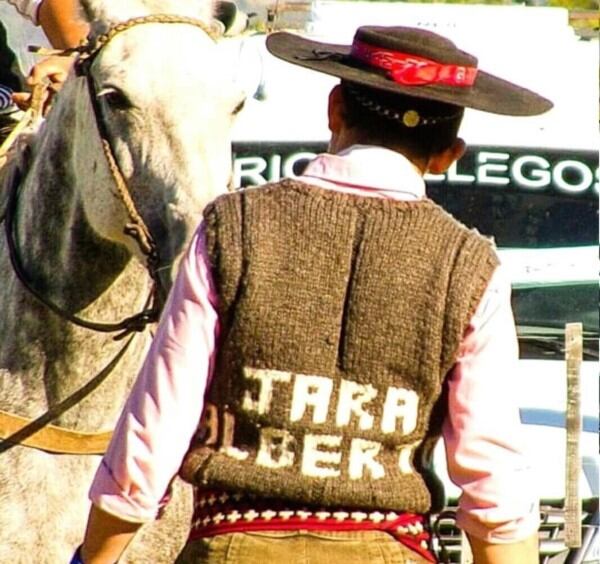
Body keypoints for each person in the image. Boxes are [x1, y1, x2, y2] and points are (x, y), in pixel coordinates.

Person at [74, 25, 553, 564]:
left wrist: (94, 558)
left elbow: (157, 423)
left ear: (334, 110)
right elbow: (493, 475)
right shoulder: (470, 266)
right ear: (449, 154)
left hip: (231, 547)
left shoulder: (234, 228)